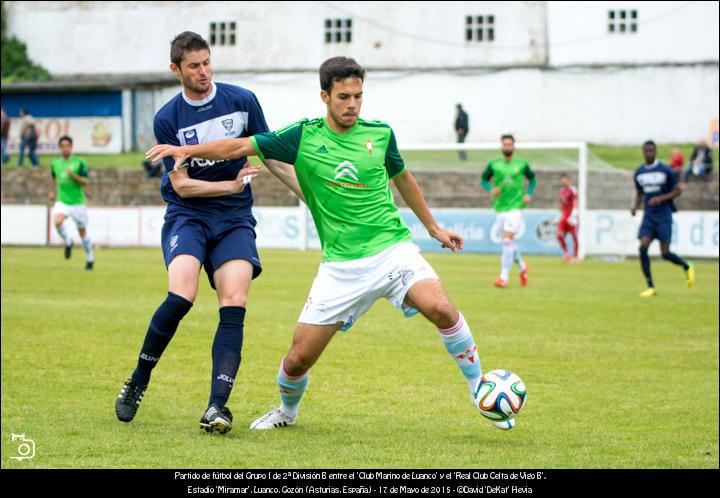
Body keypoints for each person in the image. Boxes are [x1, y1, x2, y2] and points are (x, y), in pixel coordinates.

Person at [147, 56, 497, 431]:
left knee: (440, 307)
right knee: (298, 360)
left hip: (393, 250)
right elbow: (240, 146)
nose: (352, 105)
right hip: (341, 268)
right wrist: (187, 151)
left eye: (358, 96)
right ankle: (287, 412)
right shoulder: (303, 136)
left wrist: (433, 227)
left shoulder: (380, 135)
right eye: (344, 97)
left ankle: (481, 389)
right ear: (324, 96)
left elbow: (403, 177)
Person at [115, 32, 302, 435]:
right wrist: (228, 186)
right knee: (182, 294)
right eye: (194, 66)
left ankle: (217, 407)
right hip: (188, 214)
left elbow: (270, 155)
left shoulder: (242, 101)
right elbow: (181, 186)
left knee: (234, 299)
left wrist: (311, 198)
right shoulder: (168, 118)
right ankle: (138, 379)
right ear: (176, 70)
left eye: (207, 63)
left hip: (234, 218)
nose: (203, 72)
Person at [631, 140, 695, 297]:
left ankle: (686, 266)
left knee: (665, 253)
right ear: (643, 152)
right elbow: (640, 192)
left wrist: (661, 198)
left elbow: (677, 190)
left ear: (655, 152)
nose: (649, 154)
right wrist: (635, 206)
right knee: (642, 247)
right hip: (649, 216)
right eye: (646, 151)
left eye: (651, 151)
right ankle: (650, 286)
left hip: (664, 215)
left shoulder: (665, 171)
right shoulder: (639, 173)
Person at [481, 134, 536, 288]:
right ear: (501, 146)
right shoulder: (494, 164)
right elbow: (483, 180)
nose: (507, 147)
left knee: (506, 240)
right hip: (499, 207)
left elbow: (532, 179)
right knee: (509, 242)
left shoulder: (522, 164)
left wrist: (528, 194)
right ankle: (523, 267)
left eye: (510, 144)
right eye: (505, 144)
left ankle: (503, 278)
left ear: (513, 146)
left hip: (516, 207)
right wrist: (491, 189)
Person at [48, 135, 94, 270]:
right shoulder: (55, 164)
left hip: (78, 202)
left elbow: (85, 181)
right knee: (57, 221)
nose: (65, 148)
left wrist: (73, 175)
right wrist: (51, 191)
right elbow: (53, 178)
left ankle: (90, 258)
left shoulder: (79, 163)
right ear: (59, 148)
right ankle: (68, 240)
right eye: (62, 146)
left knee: (82, 232)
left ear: (71, 147)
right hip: (62, 201)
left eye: (67, 146)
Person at [557, 173, 578, 263]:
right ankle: (567, 253)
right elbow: (561, 204)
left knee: (574, 236)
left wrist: (574, 214)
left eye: (565, 179)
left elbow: (575, 202)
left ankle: (575, 256)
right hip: (564, 216)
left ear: (568, 180)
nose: (564, 181)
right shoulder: (561, 191)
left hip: (571, 216)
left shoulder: (573, 189)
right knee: (559, 235)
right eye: (562, 179)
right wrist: (560, 215)